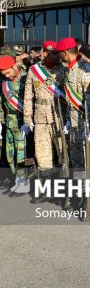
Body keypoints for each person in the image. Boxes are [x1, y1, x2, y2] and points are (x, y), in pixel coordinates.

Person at [23, 40, 67, 204]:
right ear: (42, 52)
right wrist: (27, 118)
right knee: (43, 156)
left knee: (63, 154)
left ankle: (63, 192)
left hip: (59, 117)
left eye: (55, 52)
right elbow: (28, 95)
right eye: (48, 52)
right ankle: (46, 191)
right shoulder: (34, 70)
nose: (51, 55)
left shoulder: (65, 70)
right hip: (40, 118)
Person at [57, 37, 90, 209]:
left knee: (89, 164)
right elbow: (71, 100)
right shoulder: (70, 69)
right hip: (74, 125)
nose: (60, 56)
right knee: (77, 163)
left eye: (60, 53)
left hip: (84, 125)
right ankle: (80, 194)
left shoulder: (85, 70)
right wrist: (68, 121)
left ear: (66, 53)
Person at [0, 54, 29, 196]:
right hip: (8, 122)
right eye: (3, 74)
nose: (6, 75)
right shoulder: (5, 83)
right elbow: (1, 102)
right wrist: (1, 120)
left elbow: (30, 102)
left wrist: (28, 122)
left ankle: (23, 183)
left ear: (14, 66)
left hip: (21, 122)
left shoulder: (25, 79)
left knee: (21, 155)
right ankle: (16, 181)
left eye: (7, 72)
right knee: (10, 154)